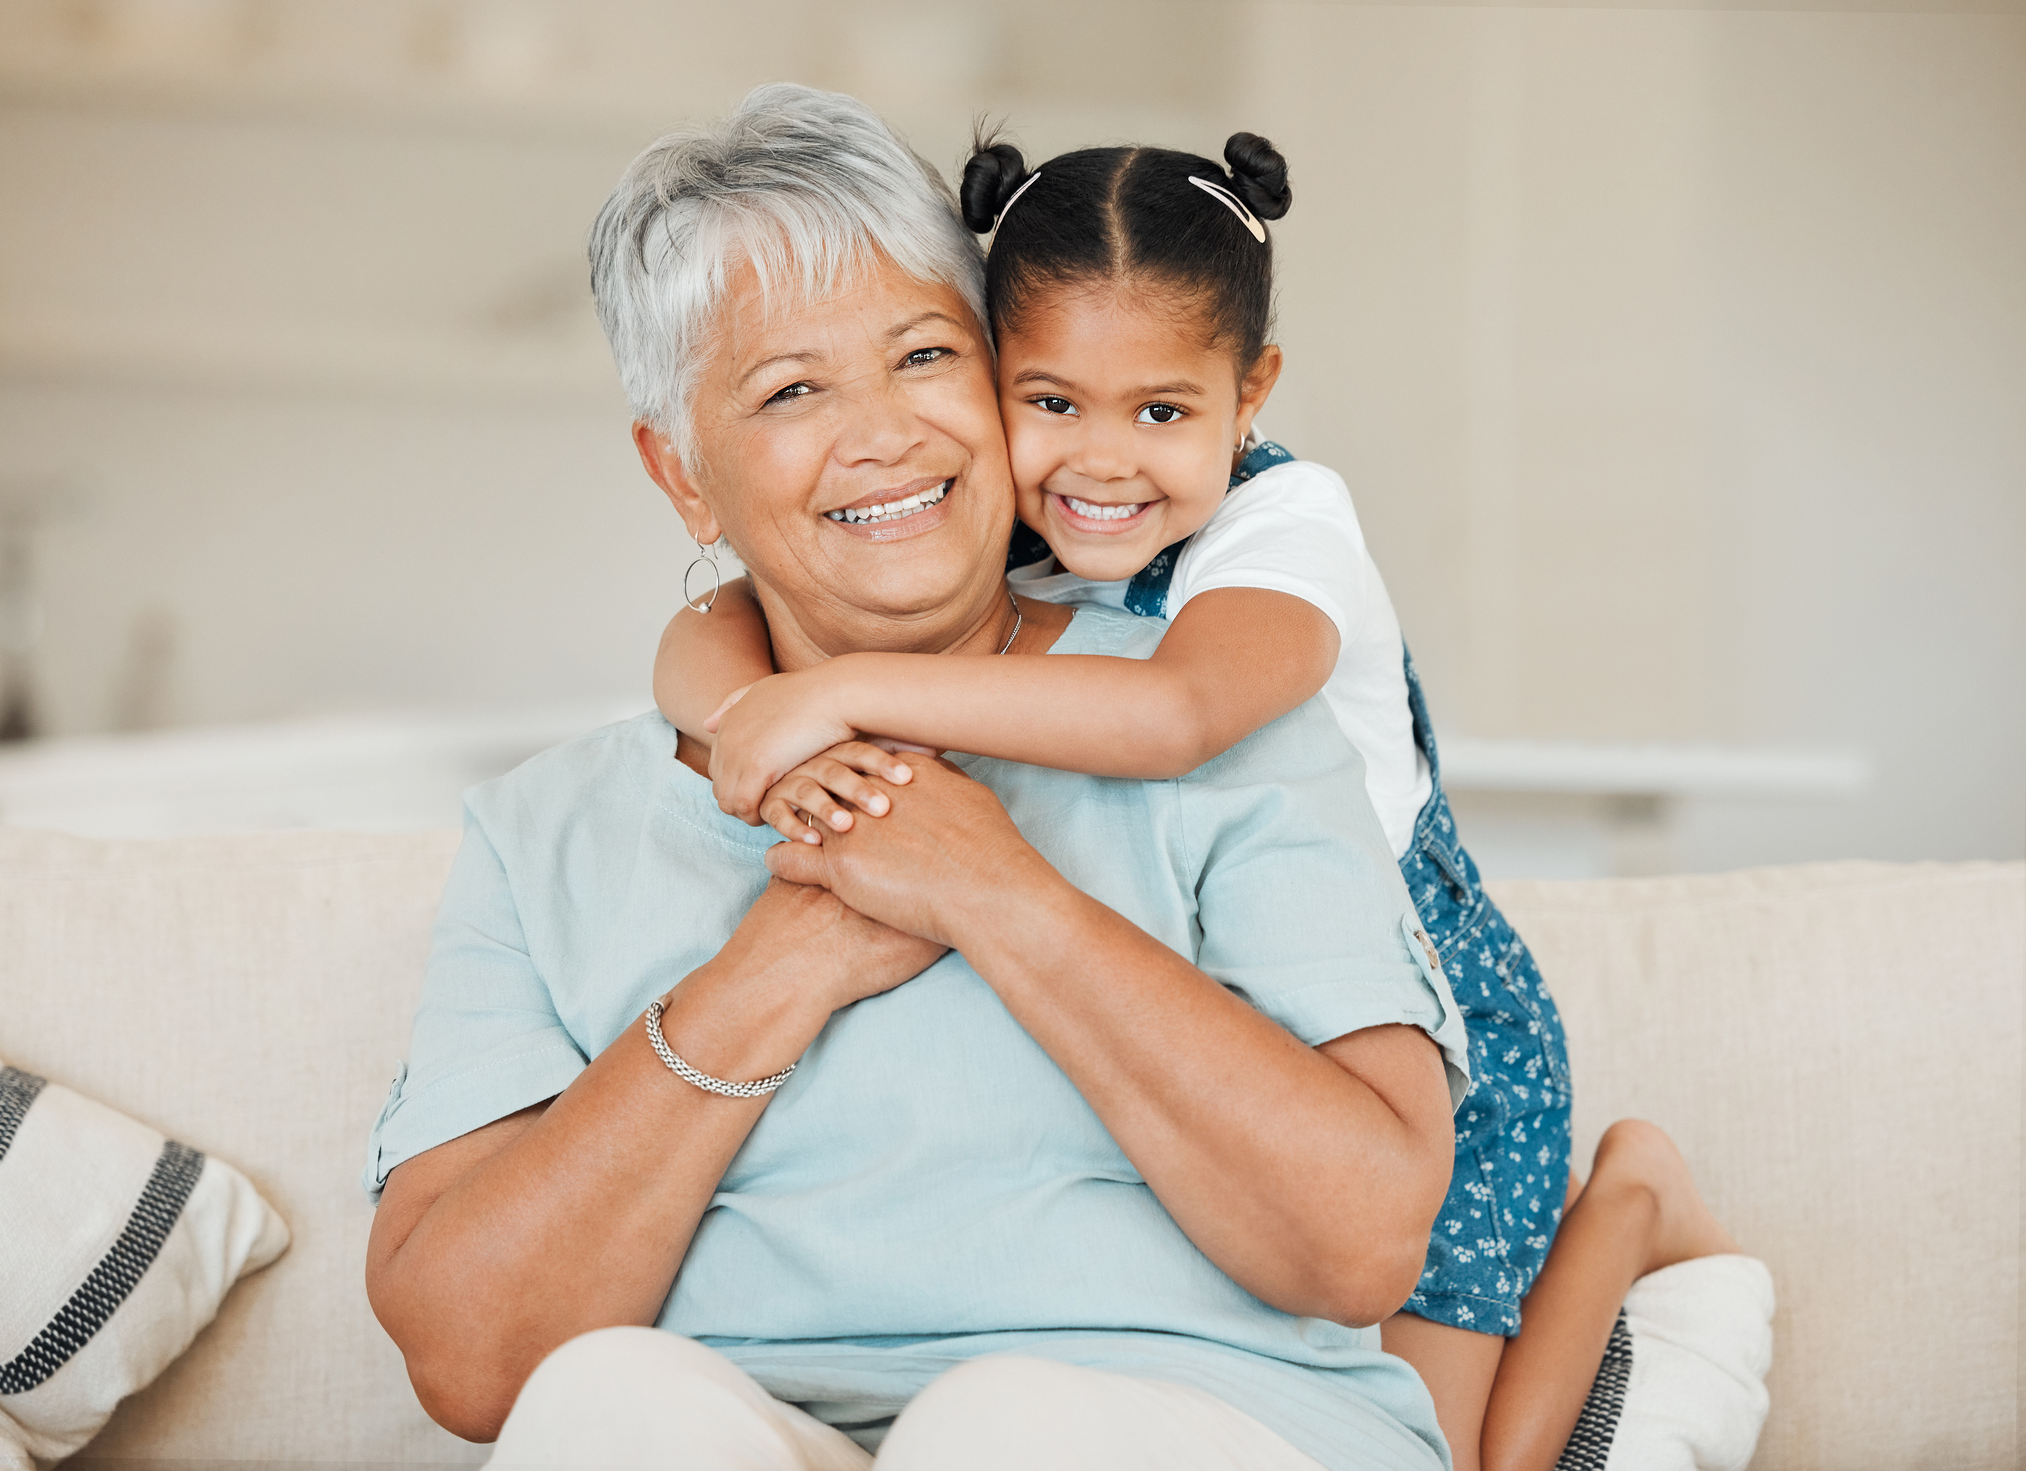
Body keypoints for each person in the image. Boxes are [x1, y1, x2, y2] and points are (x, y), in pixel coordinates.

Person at [364, 83, 1479, 1471]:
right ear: (683, 476)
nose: (883, 433)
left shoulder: (1225, 727)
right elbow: (472, 1364)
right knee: (611, 1406)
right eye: (789, 389)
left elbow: (1363, 1242)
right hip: (744, 1424)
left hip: (1204, 1419)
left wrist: (993, 889)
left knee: (997, 1430)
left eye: (922, 357)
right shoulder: (546, 833)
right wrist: (778, 968)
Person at [654, 131, 1742, 1471]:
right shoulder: (1024, 492)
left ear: (1251, 393)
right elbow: (708, 620)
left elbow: (1171, 717)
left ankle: (1636, 1201)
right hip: (1205, 965)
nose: (1102, 462)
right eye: (1049, 401)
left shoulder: (1285, 533)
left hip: (1407, 1006)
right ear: (995, 377)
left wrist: (840, 692)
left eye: (1161, 413)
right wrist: (739, 722)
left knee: (1462, 1453)